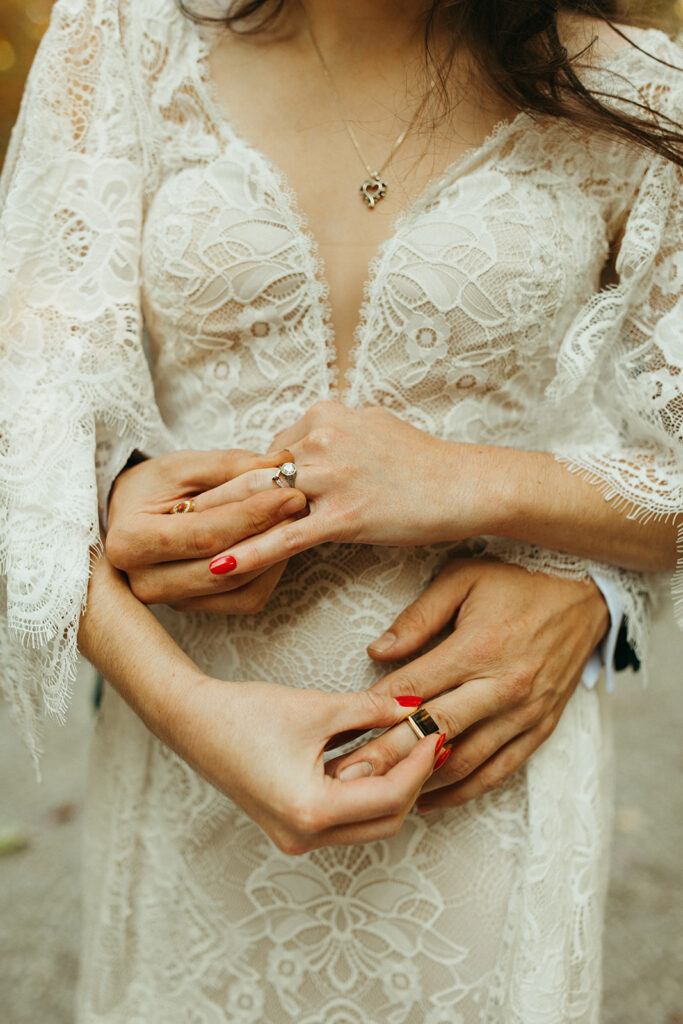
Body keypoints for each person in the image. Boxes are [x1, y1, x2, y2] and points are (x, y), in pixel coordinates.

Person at [0, 0, 681, 1020]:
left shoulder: (632, 88)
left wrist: (487, 491)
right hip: (188, 771)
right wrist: (183, 694)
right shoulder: (126, 35)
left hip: (478, 787)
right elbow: (26, 412)